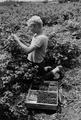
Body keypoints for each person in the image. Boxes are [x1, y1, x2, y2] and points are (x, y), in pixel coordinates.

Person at [11, 15, 63, 80]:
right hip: (33, 61)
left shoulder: (41, 38)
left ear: (36, 26)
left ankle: (56, 69)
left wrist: (17, 40)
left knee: (41, 79)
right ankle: (46, 69)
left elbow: (27, 50)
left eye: (30, 27)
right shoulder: (36, 35)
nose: (29, 29)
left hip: (37, 63)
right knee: (37, 74)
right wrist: (21, 40)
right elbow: (30, 46)